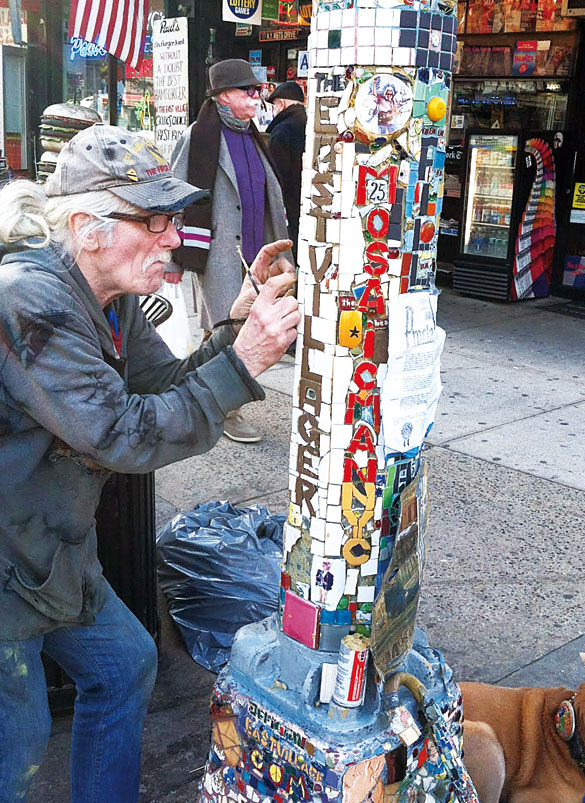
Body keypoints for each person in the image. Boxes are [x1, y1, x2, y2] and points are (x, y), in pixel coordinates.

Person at [0, 123, 299, 803]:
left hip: (50, 554)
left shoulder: (111, 303)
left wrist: (234, 327)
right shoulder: (27, 297)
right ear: (88, 227)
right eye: (155, 219)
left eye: (173, 217)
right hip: (7, 563)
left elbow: (164, 387)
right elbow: (122, 432)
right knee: (17, 740)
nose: (173, 236)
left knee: (126, 663)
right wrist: (246, 362)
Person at [168, 58, 291, 444]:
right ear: (223, 97)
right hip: (220, 253)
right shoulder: (199, 137)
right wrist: (175, 257)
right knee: (228, 328)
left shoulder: (255, 135)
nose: (257, 96)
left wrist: (282, 249)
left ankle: (202, 394)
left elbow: (268, 197)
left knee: (228, 330)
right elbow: (175, 199)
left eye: (256, 89)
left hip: (259, 255)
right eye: (247, 90)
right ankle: (225, 407)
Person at [265, 81, 306, 258]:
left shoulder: (281, 131)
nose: (273, 110)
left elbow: (276, 176)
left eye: (274, 105)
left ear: (281, 104)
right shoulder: (310, 125)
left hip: (288, 205)